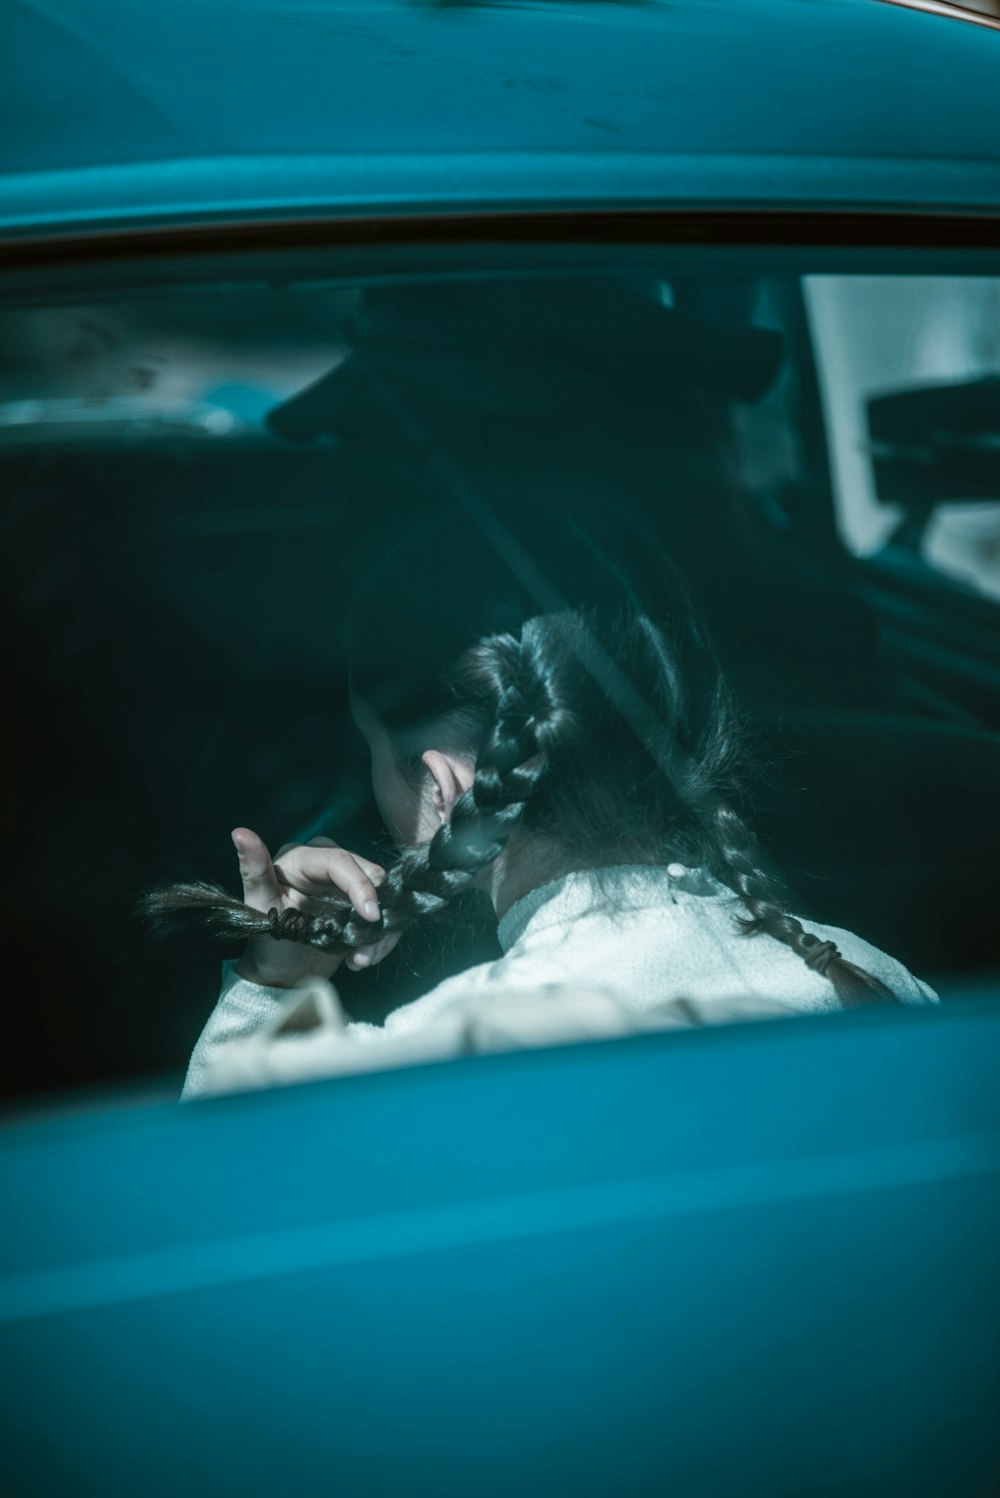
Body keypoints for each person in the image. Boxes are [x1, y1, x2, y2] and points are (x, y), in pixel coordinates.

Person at [149, 503, 936, 1098]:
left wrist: (273, 985)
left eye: (372, 756)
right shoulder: (867, 974)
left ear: (444, 786)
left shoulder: (442, 1058)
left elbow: (218, 1204)